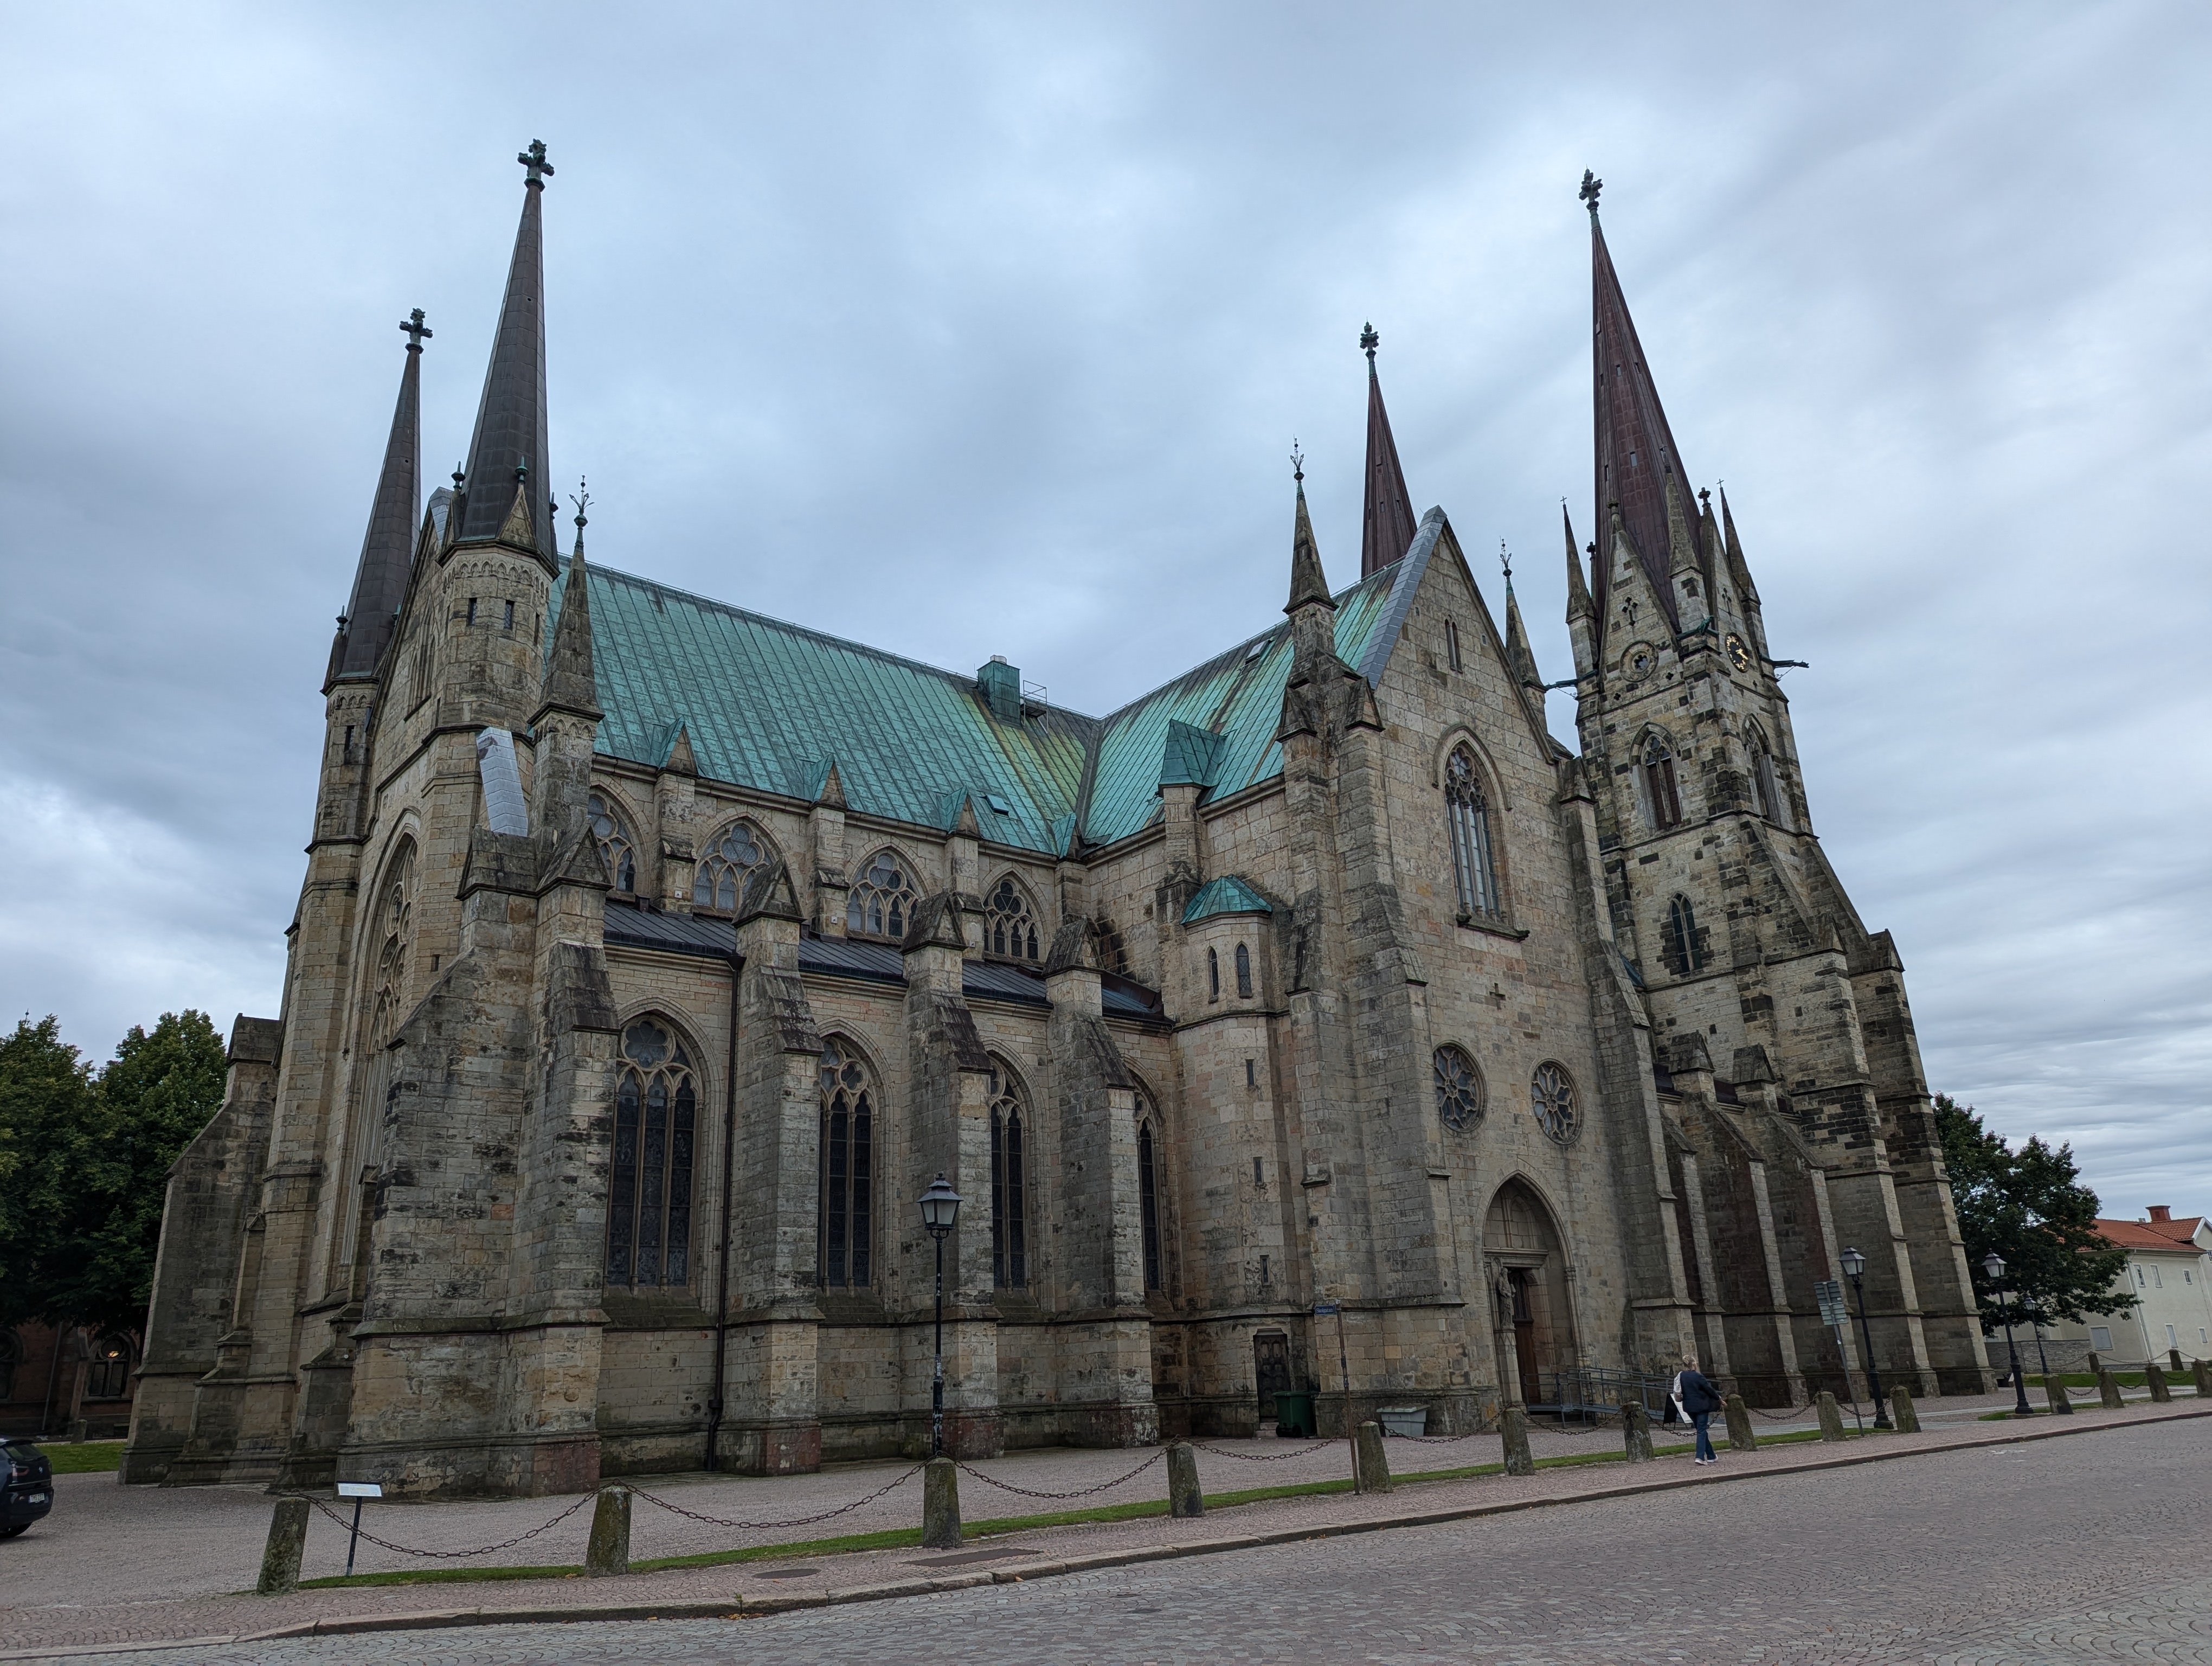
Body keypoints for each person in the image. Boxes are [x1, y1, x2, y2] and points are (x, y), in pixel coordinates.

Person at [1673, 1354, 1724, 1466]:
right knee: (1701, 1431)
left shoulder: (1681, 1376)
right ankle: (1700, 1457)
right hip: (1701, 1407)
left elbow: (1678, 1392)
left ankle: (1711, 1456)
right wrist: (1719, 1399)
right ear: (1694, 1364)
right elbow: (1709, 1389)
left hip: (1689, 1407)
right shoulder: (1698, 1376)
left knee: (1701, 1430)